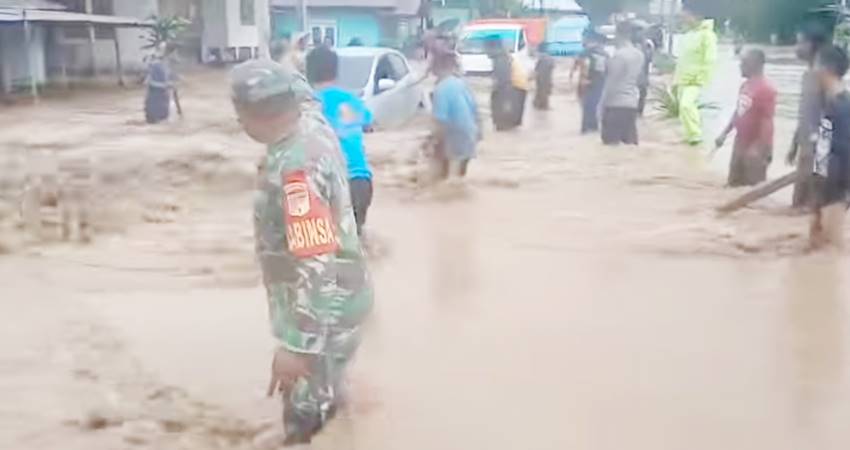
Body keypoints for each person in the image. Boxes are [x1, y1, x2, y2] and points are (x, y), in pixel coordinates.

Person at [230, 60, 373, 445]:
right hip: (342, 298)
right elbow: (304, 92)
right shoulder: (312, 123)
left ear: (246, 115)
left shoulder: (297, 170)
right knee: (330, 396)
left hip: (323, 309)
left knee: (303, 417)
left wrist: (298, 346)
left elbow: (314, 258)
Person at [306, 46, 374, 235]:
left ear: (308, 73)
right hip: (362, 182)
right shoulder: (352, 100)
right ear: (336, 71)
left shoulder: (310, 103)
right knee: (354, 241)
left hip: (331, 186)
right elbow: (369, 123)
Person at [715, 49, 777, 187]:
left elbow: (767, 121)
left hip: (756, 146)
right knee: (732, 185)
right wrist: (724, 134)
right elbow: (739, 112)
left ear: (755, 64)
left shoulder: (766, 89)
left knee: (753, 190)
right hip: (740, 142)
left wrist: (759, 148)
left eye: (744, 63)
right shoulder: (745, 86)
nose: (740, 66)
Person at [810, 45, 850, 250]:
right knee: (818, 248)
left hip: (836, 188)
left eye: (816, 64)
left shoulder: (843, 106)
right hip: (825, 186)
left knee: (831, 250)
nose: (813, 70)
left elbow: (844, 151)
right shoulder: (832, 102)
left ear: (827, 69)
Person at [787, 22, 831, 211]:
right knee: (798, 204)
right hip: (806, 147)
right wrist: (794, 143)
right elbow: (806, 113)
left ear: (812, 45)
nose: (796, 48)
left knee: (812, 205)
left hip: (819, 148)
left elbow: (831, 115)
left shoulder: (826, 76)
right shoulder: (808, 75)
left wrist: (822, 155)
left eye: (800, 43)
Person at [431, 47, 481, 180]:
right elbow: (476, 112)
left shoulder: (440, 89)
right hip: (470, 137)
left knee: (443, 177)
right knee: (459, 177)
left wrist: (431, 142)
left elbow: (440, 122)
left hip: (455, 138)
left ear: (437, 68)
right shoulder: (462, 84)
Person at [673, 9, 717, 145]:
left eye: (686, 16)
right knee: (683, 109)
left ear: (696, 16)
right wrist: (676, 81)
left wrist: (700, 77)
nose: (683, 20)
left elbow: (710, 59)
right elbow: (682, 60)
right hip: (683, 79)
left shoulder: (707, 35)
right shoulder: (688, 35)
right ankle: (690, 137)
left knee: (687, 105)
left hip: (695, 80)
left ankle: (696, 136)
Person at [599, 22, 645, 146]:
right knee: (630, 145)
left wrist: (601, 107)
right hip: (631, 104)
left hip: (615, 105)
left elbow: (611, 83)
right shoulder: (639, 55)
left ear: (618, 34)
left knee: (610, 148)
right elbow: (639, 80)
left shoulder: (618, 56)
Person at [487, 37, 528, 131]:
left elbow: (503, 81)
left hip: (516, 86)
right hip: (520, 85)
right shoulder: (503, 55)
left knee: (504, 118)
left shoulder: (500, 58)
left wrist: (495, 92)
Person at [572, 31, 608, 134]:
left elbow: (579, 65)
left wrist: (581, 79)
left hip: (588, 82)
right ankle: (593, 128)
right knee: (594, 106)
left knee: (587, 106)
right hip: (599, 82)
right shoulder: (604, 53)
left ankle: (587, 129)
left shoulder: (586, 51)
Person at [144, 44, 175, 124]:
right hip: (155, 102)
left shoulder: (167, 66)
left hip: (162, 103)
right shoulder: (156, 65)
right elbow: (148, 82)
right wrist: (165, 85)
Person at [632, 25, 655, 116]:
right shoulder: (630, 45)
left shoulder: (648, 44)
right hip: (632, 73)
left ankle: (639, 111)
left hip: (643, 72)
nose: (640, 34)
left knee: (642, 93)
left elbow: (650, 59)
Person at [533, 42, 556, 110]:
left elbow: (536, 68)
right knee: (545, 90)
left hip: (540, 76)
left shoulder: (539, 57)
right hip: (546, 77)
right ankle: (544, 105)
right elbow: (552, 66)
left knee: (539, 89)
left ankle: (537, 103)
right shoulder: (548, 57)